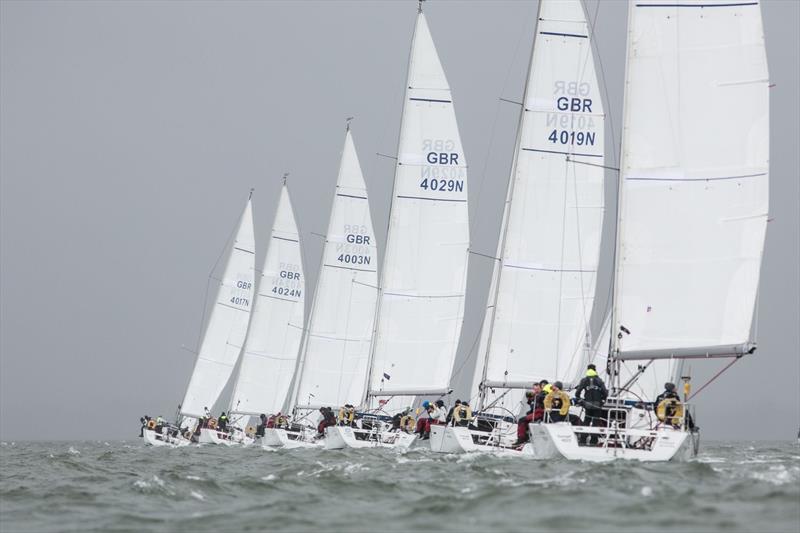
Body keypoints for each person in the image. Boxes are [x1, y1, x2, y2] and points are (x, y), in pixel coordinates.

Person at [574, 364, 608, 445]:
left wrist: (581, 401)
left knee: (586, 421)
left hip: (587, 405)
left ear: (588, 370)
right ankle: (593, 441)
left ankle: (582, 440)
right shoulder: (599, 380)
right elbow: (605, 393)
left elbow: (577, 393)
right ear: (595, 370)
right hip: (597, 405)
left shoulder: (584, 380)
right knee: (595, 423)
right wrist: (602, 400)